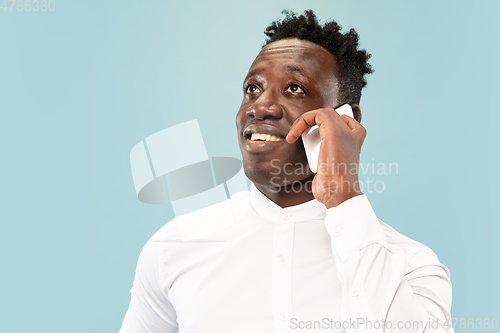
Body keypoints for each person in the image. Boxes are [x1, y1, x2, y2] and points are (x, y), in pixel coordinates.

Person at [119, 10, 453, 333]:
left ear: (346, 120)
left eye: (295, 87)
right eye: (252, 88)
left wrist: (344, 194)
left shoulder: (410, 264)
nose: (259, 106)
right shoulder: (173, 247)